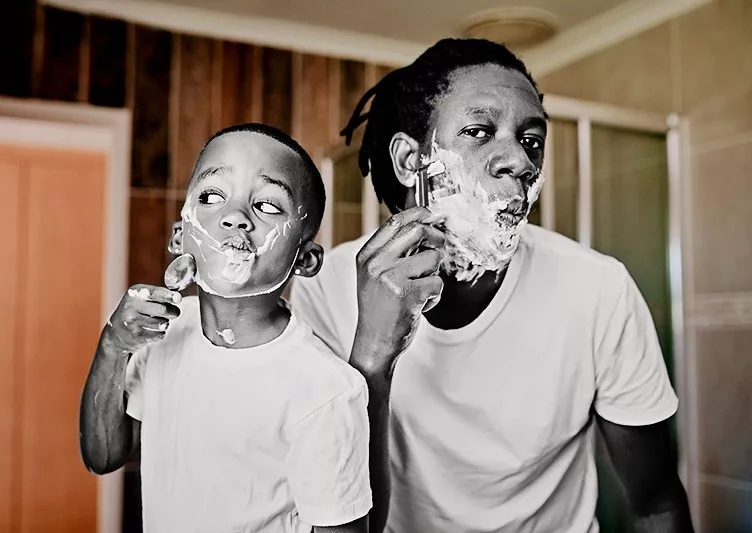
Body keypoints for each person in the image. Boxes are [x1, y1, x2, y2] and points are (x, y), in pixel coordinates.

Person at [285, 39, 694, 533]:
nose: (521, 161)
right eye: (480, 131)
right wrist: (372, 357)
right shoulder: (325, 289)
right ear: (410, 161)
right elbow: (338, 513)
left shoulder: (597, 289)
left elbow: (655, 503)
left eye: (532, 139)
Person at [79, 123, 372, 533]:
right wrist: (113, 345)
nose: (234, 216)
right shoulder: (162, 334)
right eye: (212, 196)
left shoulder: (325, 391)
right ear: (180, 237)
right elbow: (103, 455)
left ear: (305, 260)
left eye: (268, 205)